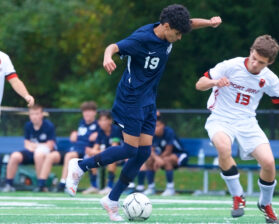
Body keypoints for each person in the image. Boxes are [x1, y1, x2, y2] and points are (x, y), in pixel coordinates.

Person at [65, 4, 221, 221]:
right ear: (166, 26)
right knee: (130, 149)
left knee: (143, 153)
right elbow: (113, 46)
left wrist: (210, 23)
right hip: (130, 99)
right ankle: (80, 166)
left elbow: (190, 24)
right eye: (177, 34)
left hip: (148, 101)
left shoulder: (171, 31)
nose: (180, 38)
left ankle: (111, 199)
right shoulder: (141, 40)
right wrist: (106, 57)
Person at [195, 34, 279, 223]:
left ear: (269, 63)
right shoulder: (231, 65)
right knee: (223, 147)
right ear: (251, 51)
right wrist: (215, 82)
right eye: (254, 58)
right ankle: (237, 195)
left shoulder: (269, 78)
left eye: (261, 62)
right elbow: (199, 84)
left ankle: (265, 204)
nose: (255, 64)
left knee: (269, 163)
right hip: (221, 118)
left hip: (247, 122)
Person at [39, 101, 98, 192]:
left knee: (69, 156)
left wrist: (97, 135)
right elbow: (75, 138)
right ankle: (41, 184)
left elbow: (99, 140)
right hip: (72, 148)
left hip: (83, 152)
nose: (86, 113)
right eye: (85, 111)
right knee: (51, 155)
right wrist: (74, 134)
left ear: (94, 112)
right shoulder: (81, 123)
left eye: (89, 111)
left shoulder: (97, 126)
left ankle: (63, 182)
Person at [1, 104, 55, 192]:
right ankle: (8, 184)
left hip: (43, 153)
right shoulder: (28, 125)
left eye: (37, 114)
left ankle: (41, 185)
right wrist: (38, 145)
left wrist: (35, 146)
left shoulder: (48, 126)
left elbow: (50, 145)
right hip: (30, 152)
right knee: (14, 156)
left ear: (41, 115)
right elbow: (27, 144)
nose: (34, 116)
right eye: (32, 114)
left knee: (38, 154)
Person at [141, 115, 188, 196]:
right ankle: (151, 188)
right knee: (149, 159)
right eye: (153, 126)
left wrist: (158, 159)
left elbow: (168, 151)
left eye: (157, 126)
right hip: (163, 156)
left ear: (163, 125)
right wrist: (156, 159)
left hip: (180, 155)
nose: (155, 128)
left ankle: (170, 189)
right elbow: (150, 150)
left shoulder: (169, 132)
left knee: (167, 160)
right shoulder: (151, 133)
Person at [82, 111, 123, 195]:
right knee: (91, 156)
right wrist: (92, 151)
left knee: (113, 157)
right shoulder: (100, 131)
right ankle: (94, 186)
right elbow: (95, 147)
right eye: (100, 120)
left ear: (110, 120)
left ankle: (109, 187)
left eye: (105, 120)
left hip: (121, 156)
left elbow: (114, 148)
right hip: (105, 155)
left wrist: (96, 151)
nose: (102, 123)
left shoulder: (115, 130)